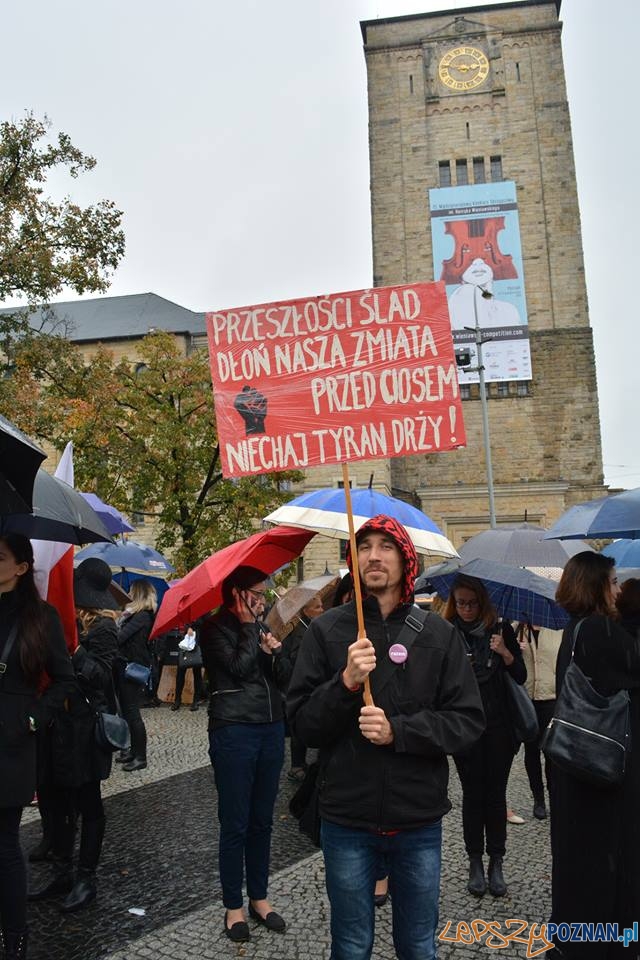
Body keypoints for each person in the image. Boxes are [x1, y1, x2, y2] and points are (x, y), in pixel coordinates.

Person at [287, 516, 485, 960]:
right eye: (364, 547)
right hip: (347, 817)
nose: (373, 556)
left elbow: (467, 722)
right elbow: (301, 724)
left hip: (417, 817)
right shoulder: (326, 631)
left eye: (386, 547)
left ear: (406, 559)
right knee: (351, 945)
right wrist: (345, 683)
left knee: (417, 946)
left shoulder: (438, 633)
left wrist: (399, 731)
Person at [549, 553, 640, 958]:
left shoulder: (576, 628)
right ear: (596, 585)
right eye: (614, 581)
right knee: (605, 862)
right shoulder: (601, 630)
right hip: (604, 767)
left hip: (576, 762)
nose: (618, 590)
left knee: (577, 858)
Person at [200, 566, 291, 943]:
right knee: (235, 822)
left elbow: (284, 679)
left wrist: (276, 652)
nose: (263, 599)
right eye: (257, 593)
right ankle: (233, 905)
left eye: (265, 593)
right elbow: (237, 668)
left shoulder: (261, 627)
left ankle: (259, 897)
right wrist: (250, 630)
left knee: (262, 821)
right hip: (234, 729)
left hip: (271, 728)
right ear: (237, 593)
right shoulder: (213, 627)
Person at [0, 534, 75, 960]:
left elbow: (64, 679)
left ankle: (15, 936)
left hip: (11, 743)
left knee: (5, 842)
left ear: (22, 567)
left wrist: (32, 719)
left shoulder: (41, 618)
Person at [32, 558, 120, 913]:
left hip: (85, 728)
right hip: (59, 726)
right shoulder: (64, 620)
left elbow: (102, 676)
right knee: (58, 800)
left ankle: (86, 878)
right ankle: (63, 871)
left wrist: (75, 649)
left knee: (89, 803)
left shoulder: (104, 628)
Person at [442, 574, 526, 898]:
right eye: (460, 603)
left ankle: (497, 862)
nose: (466, 609)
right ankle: (475, 861)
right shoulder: (448, 634)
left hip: (499, 728)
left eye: (472, 603)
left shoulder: (500, 630)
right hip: (465, 729)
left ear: (482, 603)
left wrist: (505, 652)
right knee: (472, 795)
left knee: (496, 794)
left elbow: (520, 675)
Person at [516, 621, 562, 819]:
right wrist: (515, 651)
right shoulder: (518, 629)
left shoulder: (558, 630)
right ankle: (538, 798)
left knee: (552, 753)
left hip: (552, 698)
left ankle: (555, 796)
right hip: (527, 699)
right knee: (531, 751)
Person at [115, 579, 157, 770]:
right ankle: (133, 751)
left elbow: (120, 638)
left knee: (132, 713)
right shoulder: (136, 615)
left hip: (132, 669)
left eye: (131, 591)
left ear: (138, 594)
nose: (129, 595)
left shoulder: (142, 617)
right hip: (127, 667)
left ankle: (140, 757)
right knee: (127, 711)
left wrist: (117, 622)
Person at [281, 593, 324, 781]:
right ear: (305, 611)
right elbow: (293, 659)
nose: (322, 610)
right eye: (317, 607)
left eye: (321, 606)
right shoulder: (299, 631)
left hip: (314, 683)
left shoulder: (315, 627)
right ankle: (297, 765)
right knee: (299, 724)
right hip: (299, 684)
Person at [172, 625, 204, 712]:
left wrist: (194, 629)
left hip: (197, 644)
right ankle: (177, 700)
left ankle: (196, 700)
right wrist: (187, 628)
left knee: (197, 674)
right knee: (180, 674)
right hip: (184, 645)